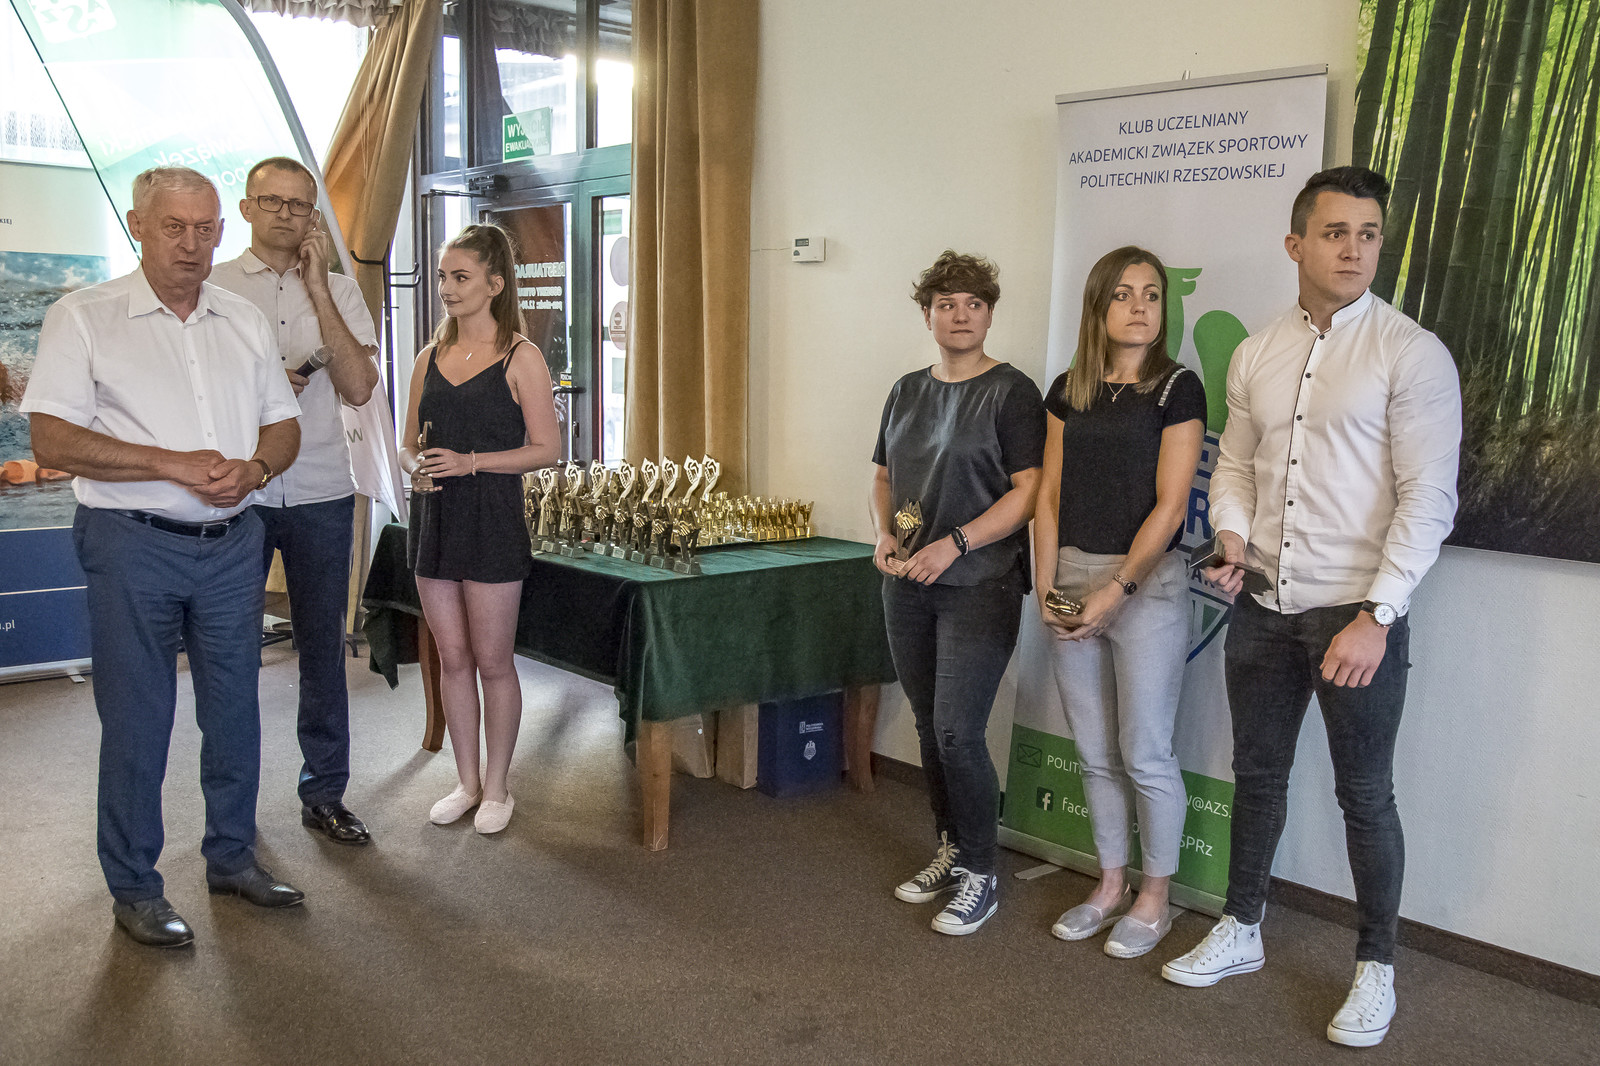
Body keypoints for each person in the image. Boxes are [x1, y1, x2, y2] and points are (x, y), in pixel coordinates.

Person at [1161, 167, 1461, 1049]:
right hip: (1261, 604)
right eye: (1336, 233)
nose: (1355, 250)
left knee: (1365, 796)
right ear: (1295, 244)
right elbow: (1238, 468)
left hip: (1355, 616)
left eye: (1369, 234)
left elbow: (1429, 499)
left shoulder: (1410, 353)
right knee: (1257, 777)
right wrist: (1230, 539)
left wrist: (1380, 616)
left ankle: (1376, 968)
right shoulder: (1258, 352)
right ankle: (1242, 926)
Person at [22, 166, 305, 947]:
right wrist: (170, 463)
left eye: (205, 228)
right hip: (131, 545)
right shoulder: (84, 317)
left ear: (223, 230)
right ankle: (136, 887)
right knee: (138, 719)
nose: (191, 244)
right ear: (138, 226)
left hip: (232, 545)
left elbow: (283, 424)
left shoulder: (243, 320)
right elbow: (51, 439)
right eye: (174, 226)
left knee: (235, 710)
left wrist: (256, 468)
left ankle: (232, 857)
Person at [1033, 246, 1205, 958]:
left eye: (1153, 295)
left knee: (1145, 751)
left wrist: (1117, 589)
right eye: (1125, 294)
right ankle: (1108, 884)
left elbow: (1170, 508)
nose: (1140, 307)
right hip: (1070, 575)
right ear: (1098, 305)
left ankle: (1154, 898)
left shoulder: (1178, 389)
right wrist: (1046, 586)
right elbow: (1047, 496)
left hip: (1147, 586)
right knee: (1095, 751)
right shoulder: (1067, 390)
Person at [870, 250, 1045, 935]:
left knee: (956, 730)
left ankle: (981, 870)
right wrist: (883, 534)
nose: (961, 315)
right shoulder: (906, 390)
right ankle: (950, 846)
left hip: (980, 583)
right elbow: (883, 475)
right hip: (908, 583)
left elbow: (1029, 493)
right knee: (927, 725)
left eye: (974, 303)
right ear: (928, 316)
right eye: (947, 304)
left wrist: (957, 543)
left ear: (990, 314)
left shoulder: (1012, 392)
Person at [210, 157, 381, 846]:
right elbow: (192, 389)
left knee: (322, 651)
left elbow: (360, 386)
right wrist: (259, 385)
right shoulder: (214, 288)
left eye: (299, 204)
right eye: (272, 201)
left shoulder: (339, 289)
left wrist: (318, 288)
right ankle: (233, 814)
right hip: (238, 494)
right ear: (247, 209)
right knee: (230, 655)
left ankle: (325, 794)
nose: (286, 213)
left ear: (313, 216)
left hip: (320, 491)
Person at [399, 224, 560, 835]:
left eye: (460, 277)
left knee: (493, 661)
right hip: (434, 519)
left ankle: (497, 788)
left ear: (495, 284)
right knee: (454, 658)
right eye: (443, 276)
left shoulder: (522, 357)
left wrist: (472, 462)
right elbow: (407, 444)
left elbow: (547, 449)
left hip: (492, 517)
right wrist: (415, 469)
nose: (447, 287)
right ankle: (466, 783)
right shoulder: (427, 357)